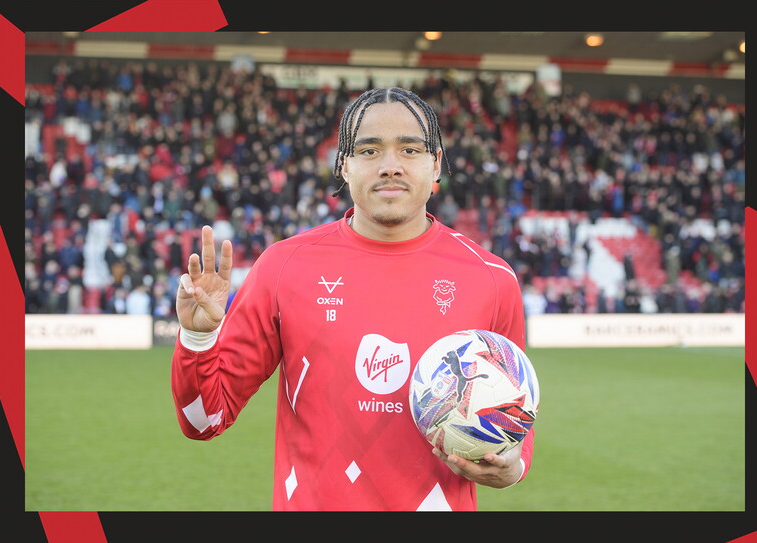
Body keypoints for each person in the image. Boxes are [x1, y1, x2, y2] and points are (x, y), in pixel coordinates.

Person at [170, 87, 534, 511]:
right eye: (369, 150)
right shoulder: (284, 267)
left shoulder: (491, 279)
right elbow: (203, 421)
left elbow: (516, 419)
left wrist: (512, 468)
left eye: (410, 149)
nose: (390, 166)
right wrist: (198, 339)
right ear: (344, 164)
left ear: (436, 163)